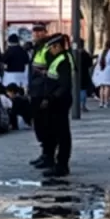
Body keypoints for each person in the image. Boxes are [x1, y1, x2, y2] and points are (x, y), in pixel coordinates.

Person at [38, 35, 73, 177]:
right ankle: (53, 161)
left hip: (60, 102)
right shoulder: (57, 60)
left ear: (58, 46)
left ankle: (62, 165)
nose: (50, 51)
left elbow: (64, 84)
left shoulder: (64, 60)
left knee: (62, 134)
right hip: (54, 101)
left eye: (51, 48)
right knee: (54, 132)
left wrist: (51, 98)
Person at [27, 24, 52, 168]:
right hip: (35, 91)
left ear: (45, 33)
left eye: (39, 32)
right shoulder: (36, 49)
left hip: (43, 91)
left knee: (46, 125)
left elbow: (47, 71)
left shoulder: (47, 48)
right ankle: (44, 153)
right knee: (39, 125)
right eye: (34, 32)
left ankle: (48, 155)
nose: (36, 35)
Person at [93, 41, 110, 108]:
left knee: (102, 87)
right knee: (107, 87)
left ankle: (101, 102)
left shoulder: (101, 53)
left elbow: (98, 61)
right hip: (109, 71)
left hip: (101, 70)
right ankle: (106, 102)